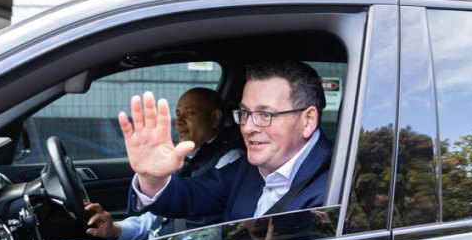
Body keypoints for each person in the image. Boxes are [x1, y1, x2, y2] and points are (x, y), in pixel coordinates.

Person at [120, 59, 332, 229]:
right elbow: (190, 196)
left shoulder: (337, 185)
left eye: (265, 114)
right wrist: (153, 178)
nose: (247, 127)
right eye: (245, 113)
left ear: (308, 121)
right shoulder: (249, 168)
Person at [39, 87, 243, 240]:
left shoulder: (230, 162)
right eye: (178, 114)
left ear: (215, 118)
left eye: (189, 113)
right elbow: (156, 218)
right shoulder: (189, 157)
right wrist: (115, 229)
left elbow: (215, 232)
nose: (179, 121)